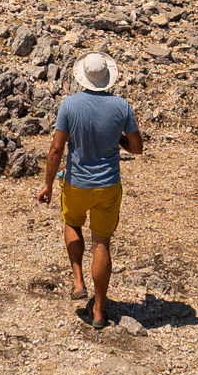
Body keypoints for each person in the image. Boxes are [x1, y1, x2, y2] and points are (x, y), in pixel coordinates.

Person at [37, 50, 143, 328]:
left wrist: (48, 184)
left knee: (72, 223)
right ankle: (98, 311)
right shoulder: (122, 107)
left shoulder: (69, 105)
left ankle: (78, 281)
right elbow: (136, 148)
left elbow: (56, 148)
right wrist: (117, 139)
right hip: (108, 185)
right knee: (101, 244)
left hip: (76, 184)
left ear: (82, 76)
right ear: (108, 78)